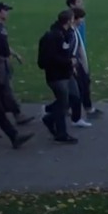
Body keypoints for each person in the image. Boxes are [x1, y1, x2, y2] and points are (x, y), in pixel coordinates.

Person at [37, 10, 78, 144]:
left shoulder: (65, 34)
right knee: (62, 104)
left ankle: (50, 118)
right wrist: (69, 62)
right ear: (68, 21)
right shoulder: (54, 36)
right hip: (57, 76)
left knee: (74, 97)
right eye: (73, 19)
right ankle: (61, 133)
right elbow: (51, 58)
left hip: (66, 73)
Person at [0, 2, 34, 128]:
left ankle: (16, 115)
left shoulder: (1, 27)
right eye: (5, 10)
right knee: (4, 89)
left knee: (3, 91)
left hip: (5, 61)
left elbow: (4, 45)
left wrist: (15, 54)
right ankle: (18, 115)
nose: (8, 13)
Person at [66, 0, 100, 117]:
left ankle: (83, 107)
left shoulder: (80, 19)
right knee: (81, 83)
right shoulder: (71, 22)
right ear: (72, 5)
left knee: (82, 83)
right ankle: (80, 109)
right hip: (76, 57)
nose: (82, 3)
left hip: (80, 53)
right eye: (79, 2)